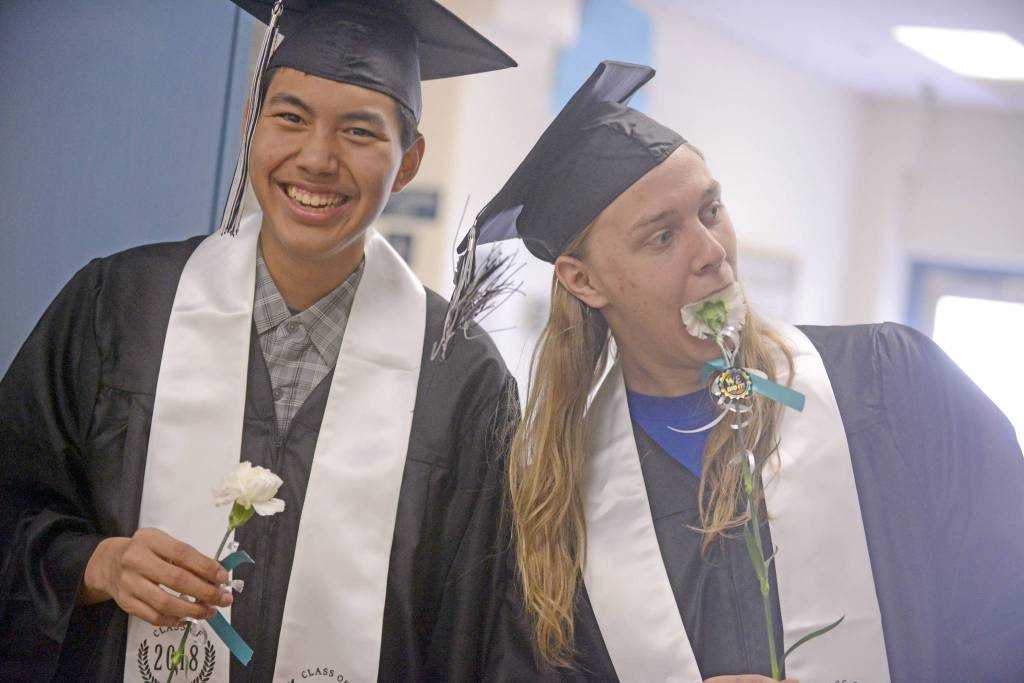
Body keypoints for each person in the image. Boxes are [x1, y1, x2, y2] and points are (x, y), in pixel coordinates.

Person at [0, 1, 519, 681]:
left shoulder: (462, 378)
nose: (316, 158)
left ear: (408, 160)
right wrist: (93, 563)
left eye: (360, 132)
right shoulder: (117, 308)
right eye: (291, 117)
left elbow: (484, 637)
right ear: (251, 122)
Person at [461, 61, 1024, 682]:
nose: (713, 252)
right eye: (661, 238)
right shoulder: (558, 499)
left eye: (710, 210)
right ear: (582, 280)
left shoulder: (891, 385)